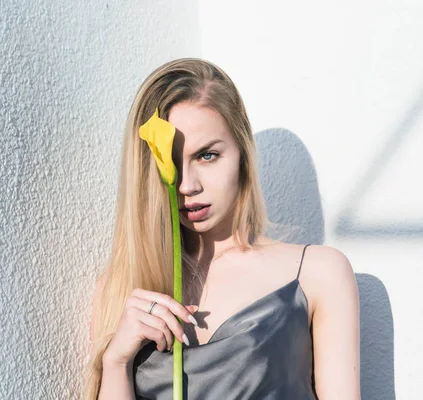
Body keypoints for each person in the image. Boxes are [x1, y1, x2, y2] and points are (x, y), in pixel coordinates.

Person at [83, 58, 360, 399]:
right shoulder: (119, 291)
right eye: (169, 162)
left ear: (243, 153)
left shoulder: (318, 273)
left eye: (207, 156)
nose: (186, 185)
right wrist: (116, 362)